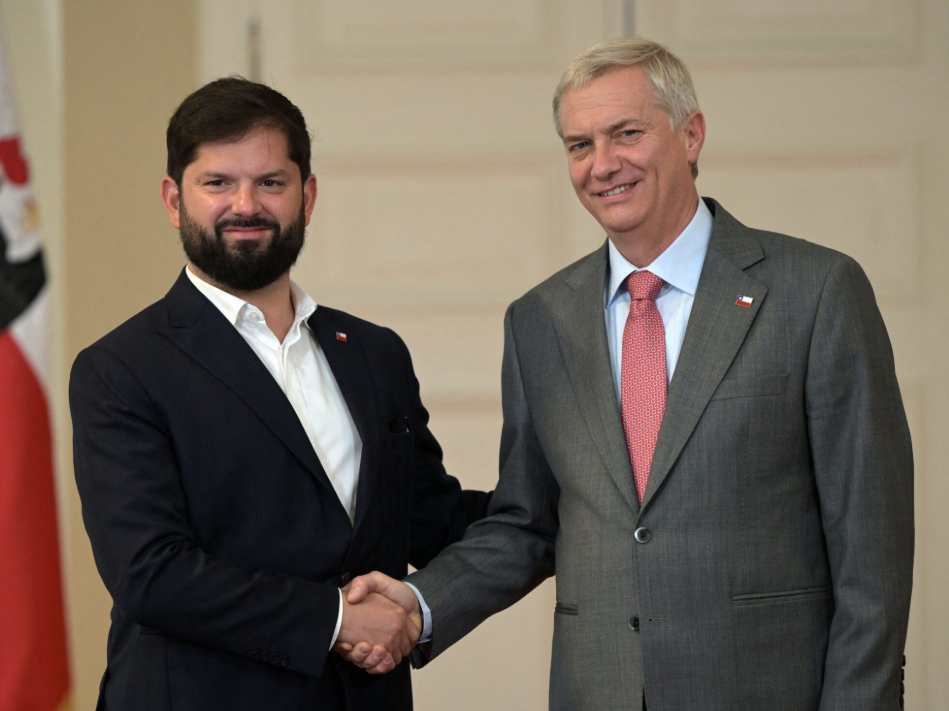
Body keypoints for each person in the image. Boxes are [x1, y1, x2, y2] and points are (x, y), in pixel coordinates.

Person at [341, 37, 914, 710]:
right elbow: (529, 521)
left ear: (690, 134)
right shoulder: (538, 321)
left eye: (626, 133)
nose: (602, 164)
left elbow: (871, 552)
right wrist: (418, 603)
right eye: (579, 145)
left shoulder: (815, 294)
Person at [69, 77, 490, 710]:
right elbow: (150, 572)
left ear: (307, 196)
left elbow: (429, 519)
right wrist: (336, 619)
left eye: (271, 182)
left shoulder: (375, 353)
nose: (246, 205)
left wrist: (579, 503)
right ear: (173, 200)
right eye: (217, 183)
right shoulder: (120, 369)